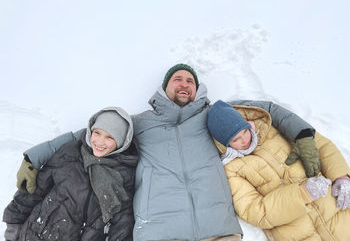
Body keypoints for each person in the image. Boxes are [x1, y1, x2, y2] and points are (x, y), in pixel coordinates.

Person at [14, 64, 321, 240]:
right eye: (177, 79)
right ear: (166, 88)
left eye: (190, 80)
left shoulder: (213, 115)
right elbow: (86, 134)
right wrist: (33, 157)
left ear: (197, 88)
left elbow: (265, 109)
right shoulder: (140, 123)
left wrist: (303, 134)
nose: (184, 83)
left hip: (217, 229)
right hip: (160, 231)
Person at [207, 100, 350, 241]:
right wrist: (301, 194)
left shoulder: (273, 131)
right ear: (225, 144)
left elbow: (321, 145)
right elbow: (254, 211)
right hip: (295, 230)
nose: (245, 140)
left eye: (244, 131)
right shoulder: (231, 169)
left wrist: (341, 176)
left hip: (334, 207)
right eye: (236, 139)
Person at [3, 107, 138, 241]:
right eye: (97, 133)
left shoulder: (123, 175)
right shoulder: (70, 154)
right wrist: (13, 225)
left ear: (121, 142)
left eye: (110, 137)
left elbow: (122, 223)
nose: (100, 142)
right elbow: (35, 190)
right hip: (35, 235)